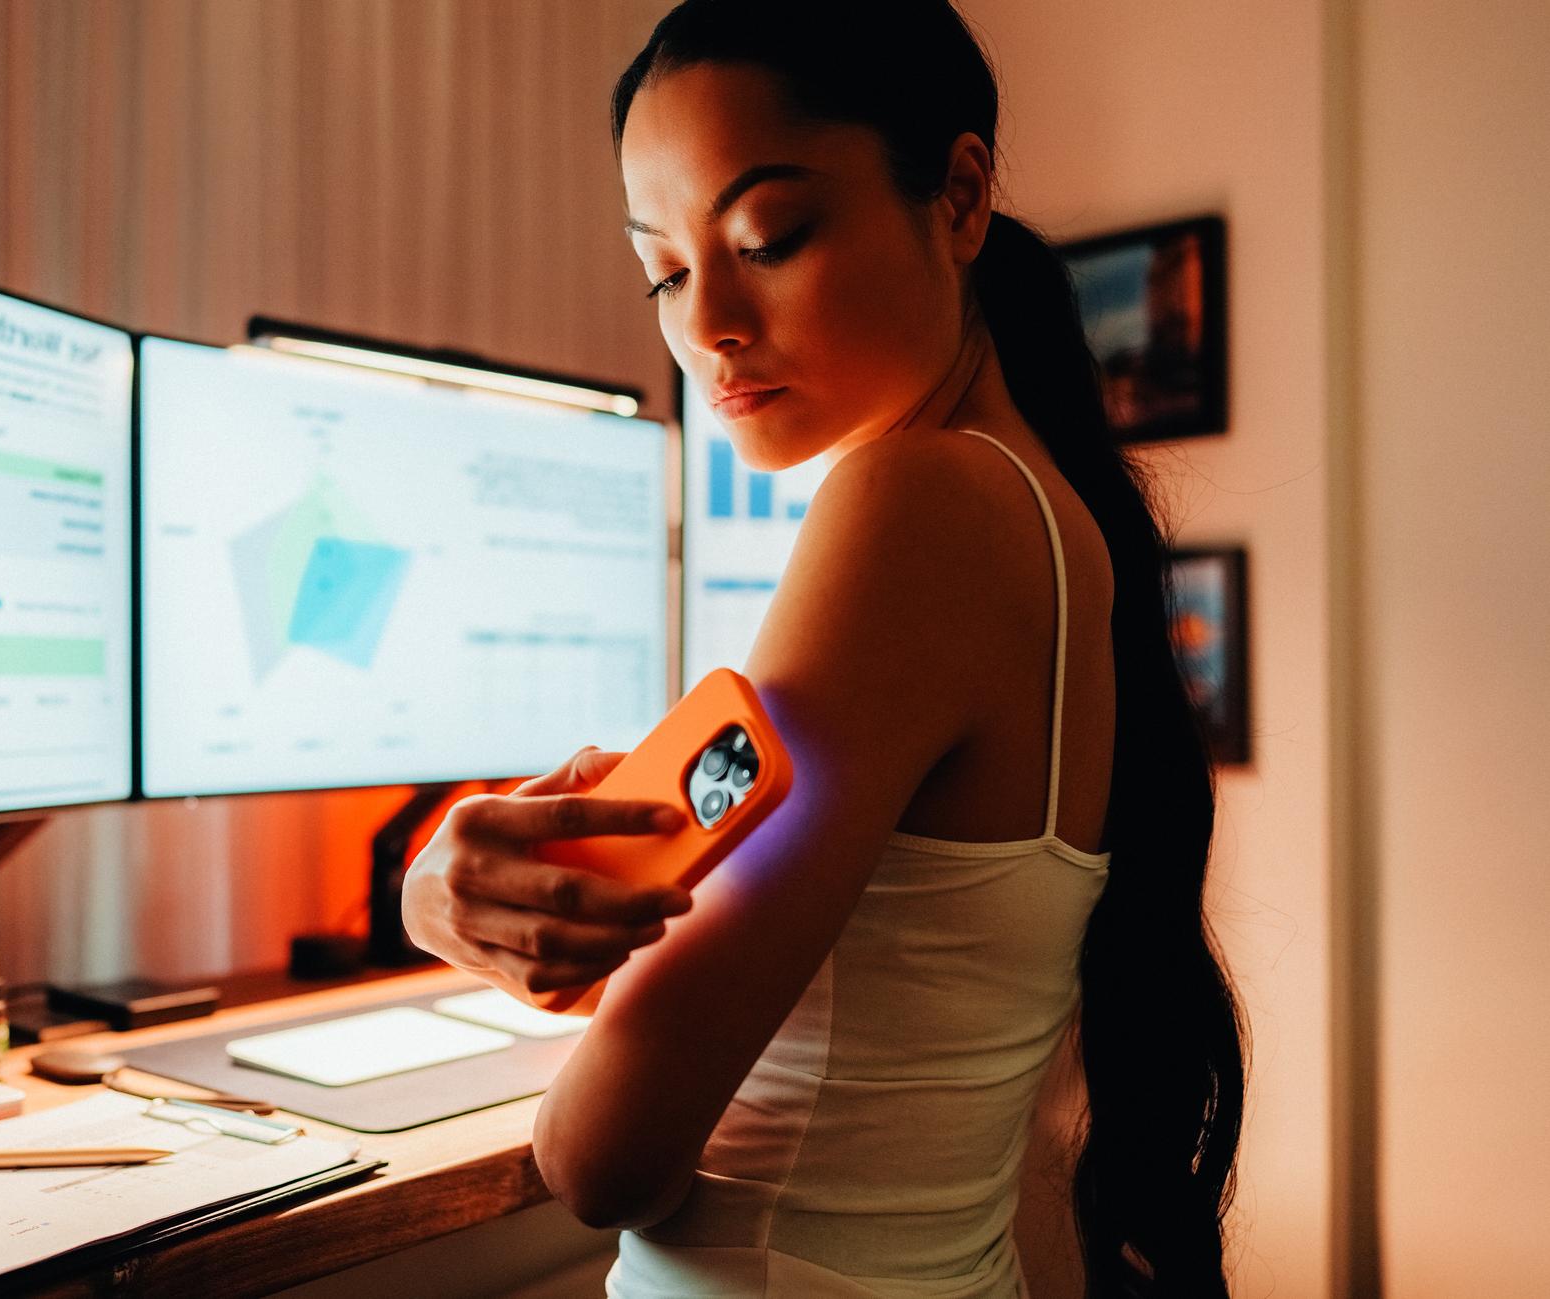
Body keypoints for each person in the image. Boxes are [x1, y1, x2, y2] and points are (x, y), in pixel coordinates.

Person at [400, 2, 1245, 1295]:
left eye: (767, 238)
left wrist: (449, 913)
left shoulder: (918, 503)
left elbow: (601, 1161)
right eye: (666, 271)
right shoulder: (1032, 509)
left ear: (958, 197)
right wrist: (461, 896)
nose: (709, 325)